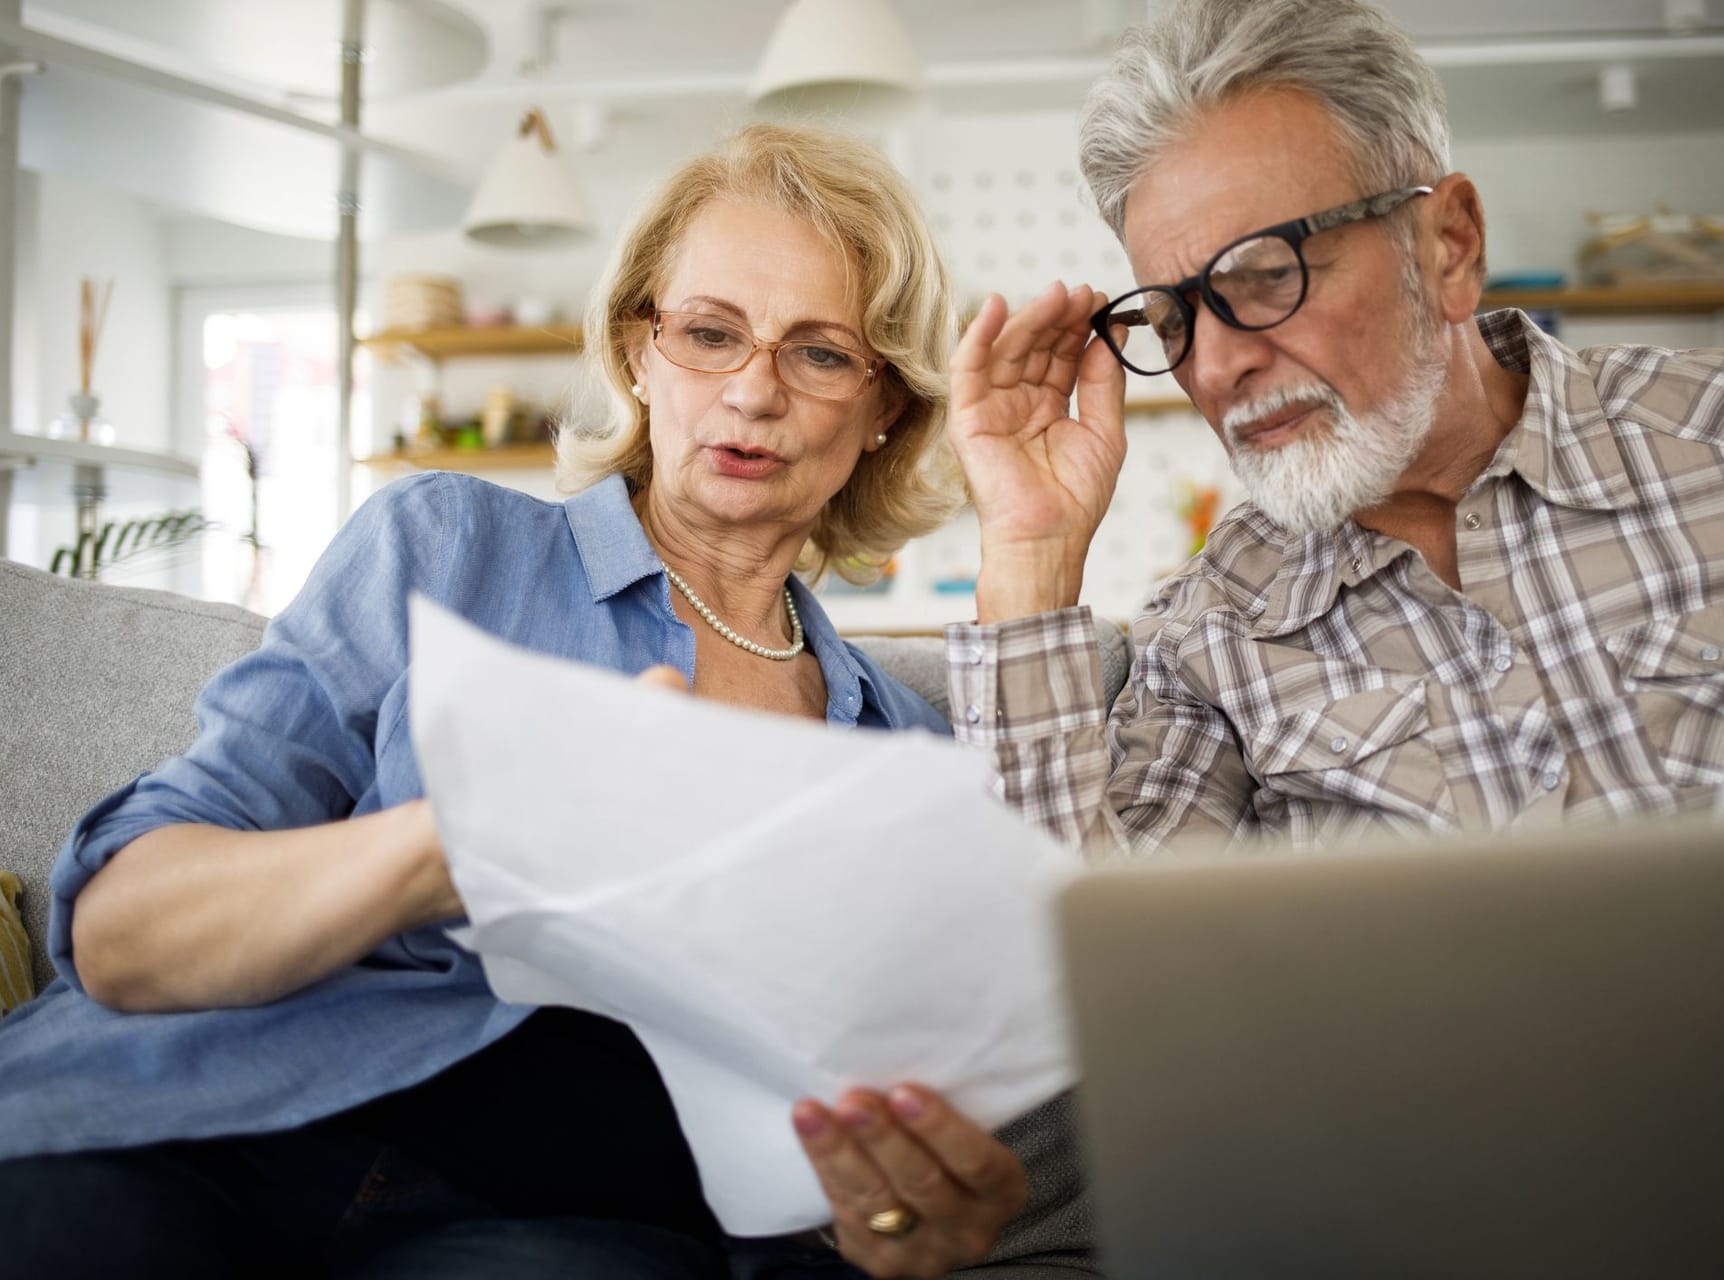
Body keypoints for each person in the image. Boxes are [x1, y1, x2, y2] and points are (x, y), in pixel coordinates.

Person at [0, 123, 1092, 1280]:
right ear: (640, 353)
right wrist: (445, 845)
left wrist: (903, 1220)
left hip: (567, 1227)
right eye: (710, 333)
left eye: (820, 354)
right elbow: (119, 931)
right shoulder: (448, 544)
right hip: (199, 1126)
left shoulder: (898, 748)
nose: (754, 389)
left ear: (884, 406)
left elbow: (865, 1145)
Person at [945, 0, 1724, 853]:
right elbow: (1098, 965)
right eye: (1173, 318)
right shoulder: (1208, 627)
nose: (1211, 364)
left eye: (1268, 276)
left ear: (1449, 245)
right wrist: (1029, 557)